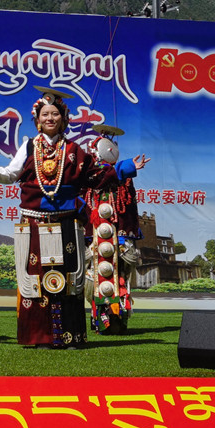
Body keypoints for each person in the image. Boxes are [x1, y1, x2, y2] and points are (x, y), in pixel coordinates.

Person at [0, 87, 144, 349]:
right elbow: (8, 175)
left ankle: (71, 336)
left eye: (55, 114)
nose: (49, 118)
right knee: (37, 279)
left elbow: (95, 177)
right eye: (45, 114)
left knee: (70, 279)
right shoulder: (29, 147)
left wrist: (126, 168)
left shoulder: (74, 150)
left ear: (64, 118)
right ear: (37, 119)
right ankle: (41, 337)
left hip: (67, 223)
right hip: (35, 222)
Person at [84, 125, 150, 334]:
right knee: (96, 276)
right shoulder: (92, 173)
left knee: (120, 277)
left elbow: (128, 207)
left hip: (119, 236)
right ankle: (99, 320)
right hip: (96, 235)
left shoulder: (124, 177)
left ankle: (119, 320)